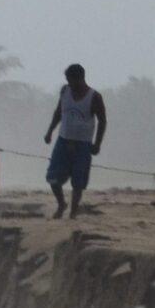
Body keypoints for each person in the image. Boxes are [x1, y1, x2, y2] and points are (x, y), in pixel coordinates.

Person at [41, 63, 107, 219]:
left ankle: (73, 211)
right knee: (52, 177)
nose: (69, 84)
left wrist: (97, 144)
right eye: (67, 80)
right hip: (63, 141)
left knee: (78, 181)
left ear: (80, 79)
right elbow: (59, 112)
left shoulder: (94, 97)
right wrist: (50, 131)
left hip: (83, 144)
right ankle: (61, 204)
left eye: (71, 80)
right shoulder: (65, 91)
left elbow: (102, 121)